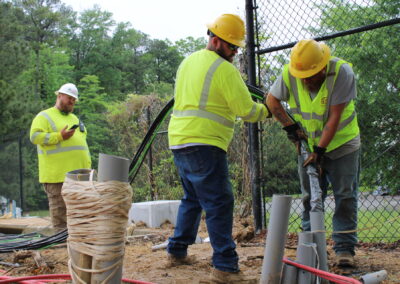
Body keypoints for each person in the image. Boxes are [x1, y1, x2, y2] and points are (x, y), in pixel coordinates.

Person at [166, 14, 270, 283]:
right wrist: (268, 110)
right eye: (232, 46)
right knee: (219, 202)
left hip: (179, 141)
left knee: (192, 199)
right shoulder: (224, 70)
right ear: (215, 40)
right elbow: (246, 110)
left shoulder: (188, 62)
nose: (235, 52)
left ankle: (176, 251)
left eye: (237, 47)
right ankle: (225, 266)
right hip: (205, 144)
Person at [266, 39, 361, 267]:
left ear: (323, 66)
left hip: (342, 144)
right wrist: (291, 129)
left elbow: (335, 117)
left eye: (312, 74)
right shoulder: (290, 74)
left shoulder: (341, 73)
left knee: (345, 196)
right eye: (303, 75)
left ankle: (344, 249)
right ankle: (310, 247)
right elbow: (271, 100)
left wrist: (319, 151)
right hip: (310, 145)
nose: (306, 79)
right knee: (310, 197)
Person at [30, 83, 91, 232]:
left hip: (80, 174)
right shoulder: (44, 116)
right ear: (59, 96)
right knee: (60, 214)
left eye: (74, 100)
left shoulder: (74, 118)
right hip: (57, 176)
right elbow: (35, 136)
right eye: (69, 98)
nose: (72, 102)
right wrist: (59, 136)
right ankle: (61, 247)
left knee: (81, 212)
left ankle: (78, 243)